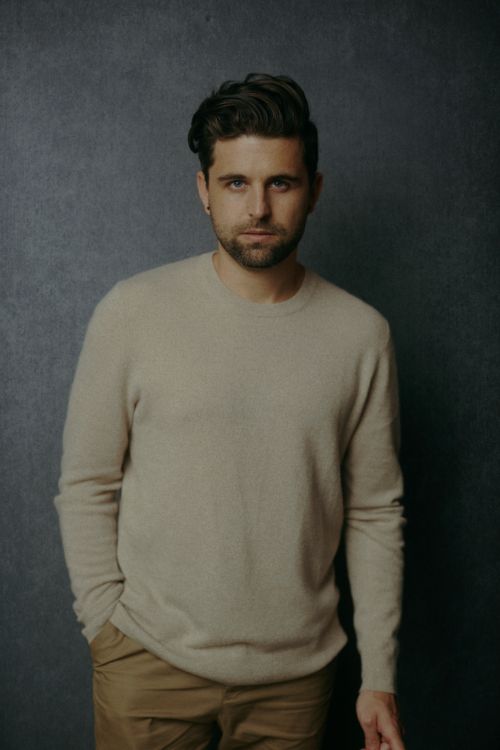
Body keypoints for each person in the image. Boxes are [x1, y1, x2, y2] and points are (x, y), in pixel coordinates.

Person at [54, 72, 407, 750]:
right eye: (236, 183)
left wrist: (379, 675)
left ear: (314, 190)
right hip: (147, 664)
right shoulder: (133, 311)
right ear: (204, 190)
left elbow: (374, 510)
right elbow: (87, 483)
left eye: (281, 183)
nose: (258, 208)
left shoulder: (361, 335)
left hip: (295, 681)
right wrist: (103, 622)